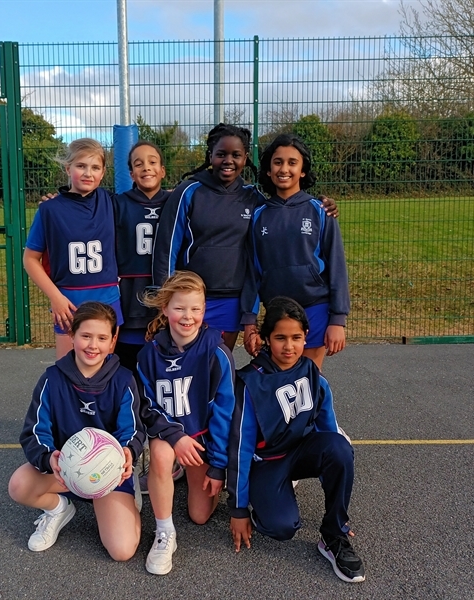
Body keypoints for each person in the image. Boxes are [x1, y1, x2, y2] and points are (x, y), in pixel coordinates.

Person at [152, 124, 339, 351]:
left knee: (217, 364)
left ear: (245, 158)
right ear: (210, 155)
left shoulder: (253, 198)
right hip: (190, 299)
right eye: (221, 154)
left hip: (231, 299)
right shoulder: (188, 191)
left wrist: (320, 204)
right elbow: (166, 248)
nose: (228, 160)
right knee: (186, 361)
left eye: (236, 155)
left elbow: (284, 208)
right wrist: (164, 299)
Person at [227, 296, 365, 583]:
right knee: (282, 528)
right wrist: (238, 508)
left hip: (300, 452)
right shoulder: (250, 383)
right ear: (266, 339)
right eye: (280, 337)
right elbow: (240, 448)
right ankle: (263, 502)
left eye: (296, 337)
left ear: (306, 338)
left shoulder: (312, 373)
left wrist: (334, 490)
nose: (288, 346)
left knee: (340, 446)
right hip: (266, 462)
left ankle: (333, 534)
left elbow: (328, 430)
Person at [7, 301, 145, 561]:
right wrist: (49, 458)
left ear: (113, 341)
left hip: (107, 475)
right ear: (72, 335)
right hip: (66, 472)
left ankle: (127, 493)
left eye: (102, 338)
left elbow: (133, 430)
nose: (93, 345)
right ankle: (58, 509)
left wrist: (128, 453)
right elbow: (34, 432)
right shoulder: (52, 379)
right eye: (86, 336)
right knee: (19, 485)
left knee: (122, 550)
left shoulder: (124, 379)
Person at [136, 271, 236, 575]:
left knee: (200, 515)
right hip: (170, 437)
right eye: (179, 308)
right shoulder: (148, 355)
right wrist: (174, 436)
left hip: (202, 442)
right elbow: (146, 407)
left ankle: (207, 474)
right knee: (162, 455)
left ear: (204, 311)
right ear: (165, 309)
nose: (187, 316)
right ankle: (165, 531)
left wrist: (218, 465)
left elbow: (224, 413)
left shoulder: (218, 353)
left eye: (196, 309)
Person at [242, 133, 349, 371]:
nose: (284, 169)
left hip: (315, 308)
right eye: (278, 162)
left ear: (303, 170)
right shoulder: (258, 215)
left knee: (309, 380)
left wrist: (338, 320)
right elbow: (252, 272)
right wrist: (249, 321)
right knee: (280, 382)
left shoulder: (320, 211)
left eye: (293, 162)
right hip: (277, 312)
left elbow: (337, 268)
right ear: (269, 170)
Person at [23, 138, 121, 359]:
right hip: (68, 302)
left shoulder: (111, 202)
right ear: (68, 168)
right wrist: (55, 297)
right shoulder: (50, 210)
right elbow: (30, 259)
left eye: (95, 167)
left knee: (104, 370)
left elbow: (145, 201)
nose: (88, 173)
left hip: (107, 298)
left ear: (103, 172)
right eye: (81, 166)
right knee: (68, 372)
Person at [113, 141, 171, 375]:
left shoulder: (176, 201)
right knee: (128, 366)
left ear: (162, 170)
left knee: (164, 363)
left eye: (152, 162)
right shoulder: (117, 203)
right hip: (131, 294)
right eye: (139, 164)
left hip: (166, 290)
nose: (146, 167)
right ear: (131, 174)